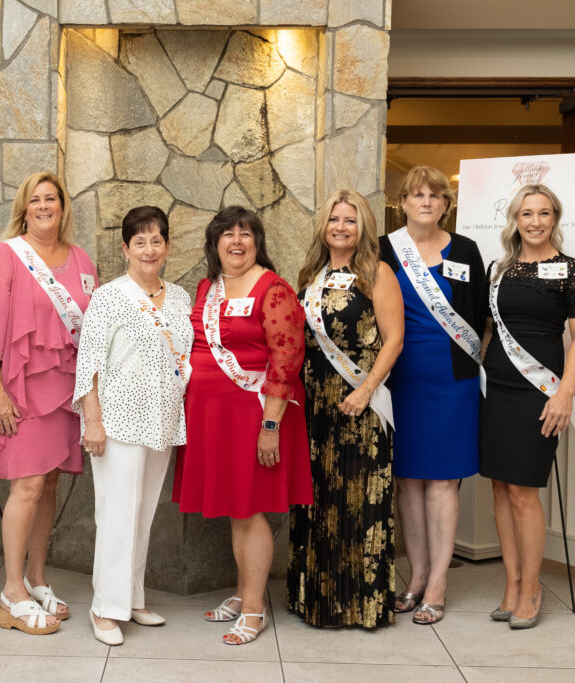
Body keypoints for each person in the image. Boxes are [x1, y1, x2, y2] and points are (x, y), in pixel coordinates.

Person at [172, 205, 312, 645]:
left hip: (254, 415)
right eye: (228, 234)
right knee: (237, 508)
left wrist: (270, 426)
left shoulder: (274, 289)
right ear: (215, 244)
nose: (236, 241)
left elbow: (287, 360)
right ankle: (242, 591)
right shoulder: (207, 287)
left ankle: (254, 609)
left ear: (257, 242)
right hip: (212, 418)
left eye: (246, 233)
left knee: (249, 510)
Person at [0, 171, 98, 636]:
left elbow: (92, 328)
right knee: (26, 487)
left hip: (65, 393)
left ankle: (37, 579)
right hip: (20, 393)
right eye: (36, 200)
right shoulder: (7, 256)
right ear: (24, 209)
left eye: (52, 198)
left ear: (63, 207)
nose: (44, 206)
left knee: (48, 486)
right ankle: (12, 592)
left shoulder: (81, 258)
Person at [74, 206, 194, 645]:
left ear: (167, 246)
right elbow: (88, 363)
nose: (149, 249)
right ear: (125, 249)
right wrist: (93, 422)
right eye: (139, 242)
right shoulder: (109, 297)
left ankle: (133, 598)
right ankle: (105, 608)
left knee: (142, 515)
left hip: (162, 421)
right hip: (118, 422)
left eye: (156, 240)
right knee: (117, 514)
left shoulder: (180, 298)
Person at [481, 184, 575, 629]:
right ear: (515, 219)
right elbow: (489, 330)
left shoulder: (574, 271)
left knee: (524, 491)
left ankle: (531, 588)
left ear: (555, 218)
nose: (535, 222)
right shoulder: (498, 270)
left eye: (543, 213)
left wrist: (564, 393)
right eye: (526, 213)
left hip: (540, 390)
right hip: (497, 387)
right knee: (499, 487)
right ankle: (511, 584)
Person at [288, 189, 404, 628]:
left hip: (360, 402)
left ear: (363, 227)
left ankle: (360, 605)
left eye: (350, 220)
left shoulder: (377, 272)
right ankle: (316, 601)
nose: (341, 227)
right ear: (324, 225)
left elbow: (394, 339)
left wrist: (367, 389)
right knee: (318, 498)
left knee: (357, 500)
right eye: (334, 219)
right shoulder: (310, 274)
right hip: (314, 403)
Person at [379, 166, 487, 625]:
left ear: (446, 204)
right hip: (401, 379)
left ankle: (438, 582)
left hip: (452, 381)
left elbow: (479, 316)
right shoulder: (384, 249)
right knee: (408, 479)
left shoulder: (465, 250)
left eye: (435, 195)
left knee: (442, 480)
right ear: (402, 202)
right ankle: (417, 574)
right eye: (417, 195)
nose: (426, 202)